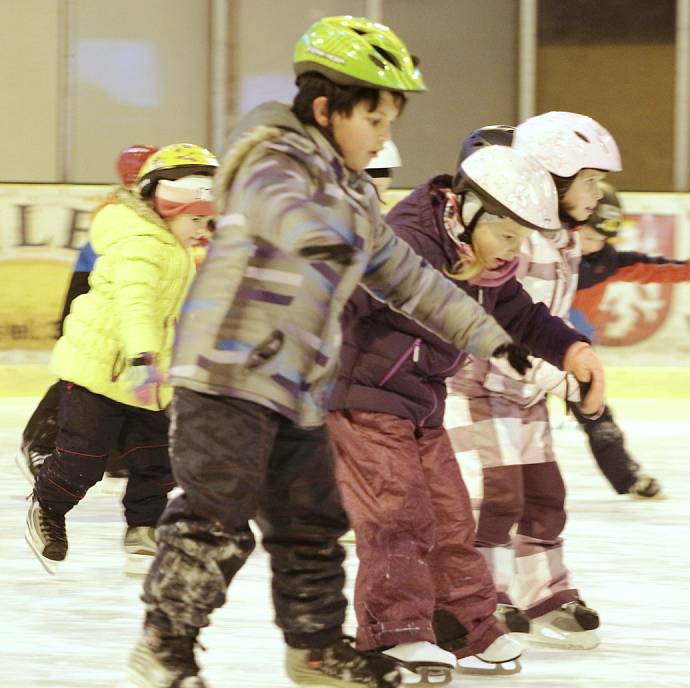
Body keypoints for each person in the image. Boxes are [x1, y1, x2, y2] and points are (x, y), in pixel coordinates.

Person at [123, 16, 556, 688]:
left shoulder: (355, 196)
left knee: (312, 524)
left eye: (389, 124)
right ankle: (166, 644)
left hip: (300, 384)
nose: (385, 138)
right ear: (326, 109)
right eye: (376, 122)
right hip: (226, 373)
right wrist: (317, 239)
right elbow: (276, 205)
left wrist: (494, 338)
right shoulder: (265, 153)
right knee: (217, 518)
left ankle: (318, 651)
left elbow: (412, 280)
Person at [326, 117, 607, 680]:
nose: (514, 250)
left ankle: (466, 627)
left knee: (450, 520)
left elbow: (520, 313)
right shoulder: (406, 241)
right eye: (508, 236)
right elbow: (341, 304)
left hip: (419, 403)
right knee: (396, 517)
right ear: (474, 210)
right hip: (364, 401)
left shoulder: (481, 253)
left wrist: (571, 348)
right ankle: (392, 632)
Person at [443, 112, 621, 651]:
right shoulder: (520, 239)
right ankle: (483, 597)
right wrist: (563, 377)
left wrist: (568, 373)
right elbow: (500, 327)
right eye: (590, 181)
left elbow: (550, 321)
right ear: (555, 177)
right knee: (496, 498)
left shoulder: (563, 241)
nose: (599, 193)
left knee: (546, 494)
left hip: (525, 391)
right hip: (481, 388)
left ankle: (544, 594)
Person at [24, 143, 218, 577]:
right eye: (195, 220)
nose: (202, 229)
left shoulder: (176, 242)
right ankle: (48, 507)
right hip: (103, 370)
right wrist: (142, 358)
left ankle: (143, 527)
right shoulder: (142, 245)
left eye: (206, 220)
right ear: (166, 206)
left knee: (157, 459)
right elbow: (137, 306)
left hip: (148, 373)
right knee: (84, 457)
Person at [569, 181, 690, 498]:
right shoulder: (544, 253)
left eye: (601, 238)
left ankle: (629, 479)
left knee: (599, 418)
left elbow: (650, 268)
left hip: (576, 356)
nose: (593, 244)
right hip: (530, 348)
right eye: (587, 236)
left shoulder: (606, 261)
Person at [15, 144, 159, 485]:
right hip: (100, 292)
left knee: (133, 376)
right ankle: (41, 442)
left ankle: (119, 452)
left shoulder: (147, 210)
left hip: (123, 294)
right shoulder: (120, 210)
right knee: (85, 372)